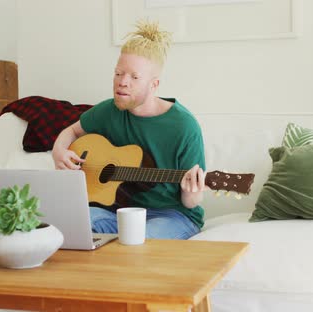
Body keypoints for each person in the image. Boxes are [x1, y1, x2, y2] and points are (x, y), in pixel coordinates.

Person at [52, 20, 206, 240]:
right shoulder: (109, 110)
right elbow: (73, 131)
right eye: (118, 73)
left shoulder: (184, 126)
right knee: (66, 223)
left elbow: (189, 202)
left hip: (172, 215)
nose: (122, 82)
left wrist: (194, 193)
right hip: (117, 212)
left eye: (134, 77)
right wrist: (58, 151)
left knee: (140, 241)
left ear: (154, 85)